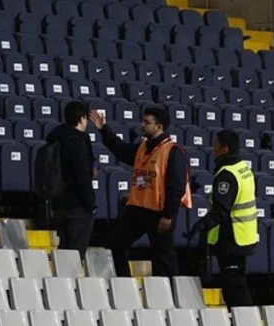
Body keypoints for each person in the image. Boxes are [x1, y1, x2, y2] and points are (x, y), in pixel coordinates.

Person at [90, 106, 191, 277]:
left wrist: (169, 214)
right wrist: (104, 130)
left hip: (159, 214)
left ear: (158, 127)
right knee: (115, 244)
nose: (142, 125)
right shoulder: (143, 147)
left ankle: (171, 296)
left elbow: (176, 186)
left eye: (146, 122)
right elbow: (121, 150)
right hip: (137, 209)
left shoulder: (173, 151)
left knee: (164, 258)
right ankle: (124, 284)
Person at [186, 129, 257, 307]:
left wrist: (202, 225)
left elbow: (221, 210)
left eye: (216, 144)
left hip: (231, 237)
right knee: (237, 284)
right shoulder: (243, 168)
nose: (213, 148)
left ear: (224, 148)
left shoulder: (227, 174)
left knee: (234, 288)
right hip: (243, 236)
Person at [45, 101, 97, 258]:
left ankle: (61, 282)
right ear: (82, 119)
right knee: (74, 255)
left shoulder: (56, 138)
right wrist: (90, 205)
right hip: (77, 207)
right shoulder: (77, 142)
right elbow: (81, 177)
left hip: (59, 203)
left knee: (64, 253)